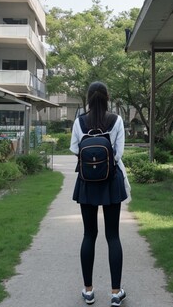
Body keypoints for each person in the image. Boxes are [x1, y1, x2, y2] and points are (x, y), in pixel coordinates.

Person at [70, 81, 129, 307]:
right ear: (106, 97)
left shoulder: (79, 121)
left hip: (86, 182)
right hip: (111, 181)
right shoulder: (116, 120)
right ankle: (115, 293)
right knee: (112, 236)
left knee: (89, 235)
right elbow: (119, 153)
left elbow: (75, 148)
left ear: (88, 97)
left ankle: (88, 291)